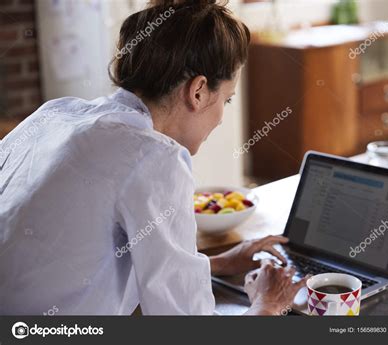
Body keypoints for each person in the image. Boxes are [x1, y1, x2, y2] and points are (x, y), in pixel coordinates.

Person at [0, 0, 306, 315]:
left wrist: (212, 263)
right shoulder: (154, 158)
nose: (220, 118)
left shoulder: (54, 113)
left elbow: (80, 258)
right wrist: (269, 303)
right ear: (198, 91)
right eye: (226, 101)